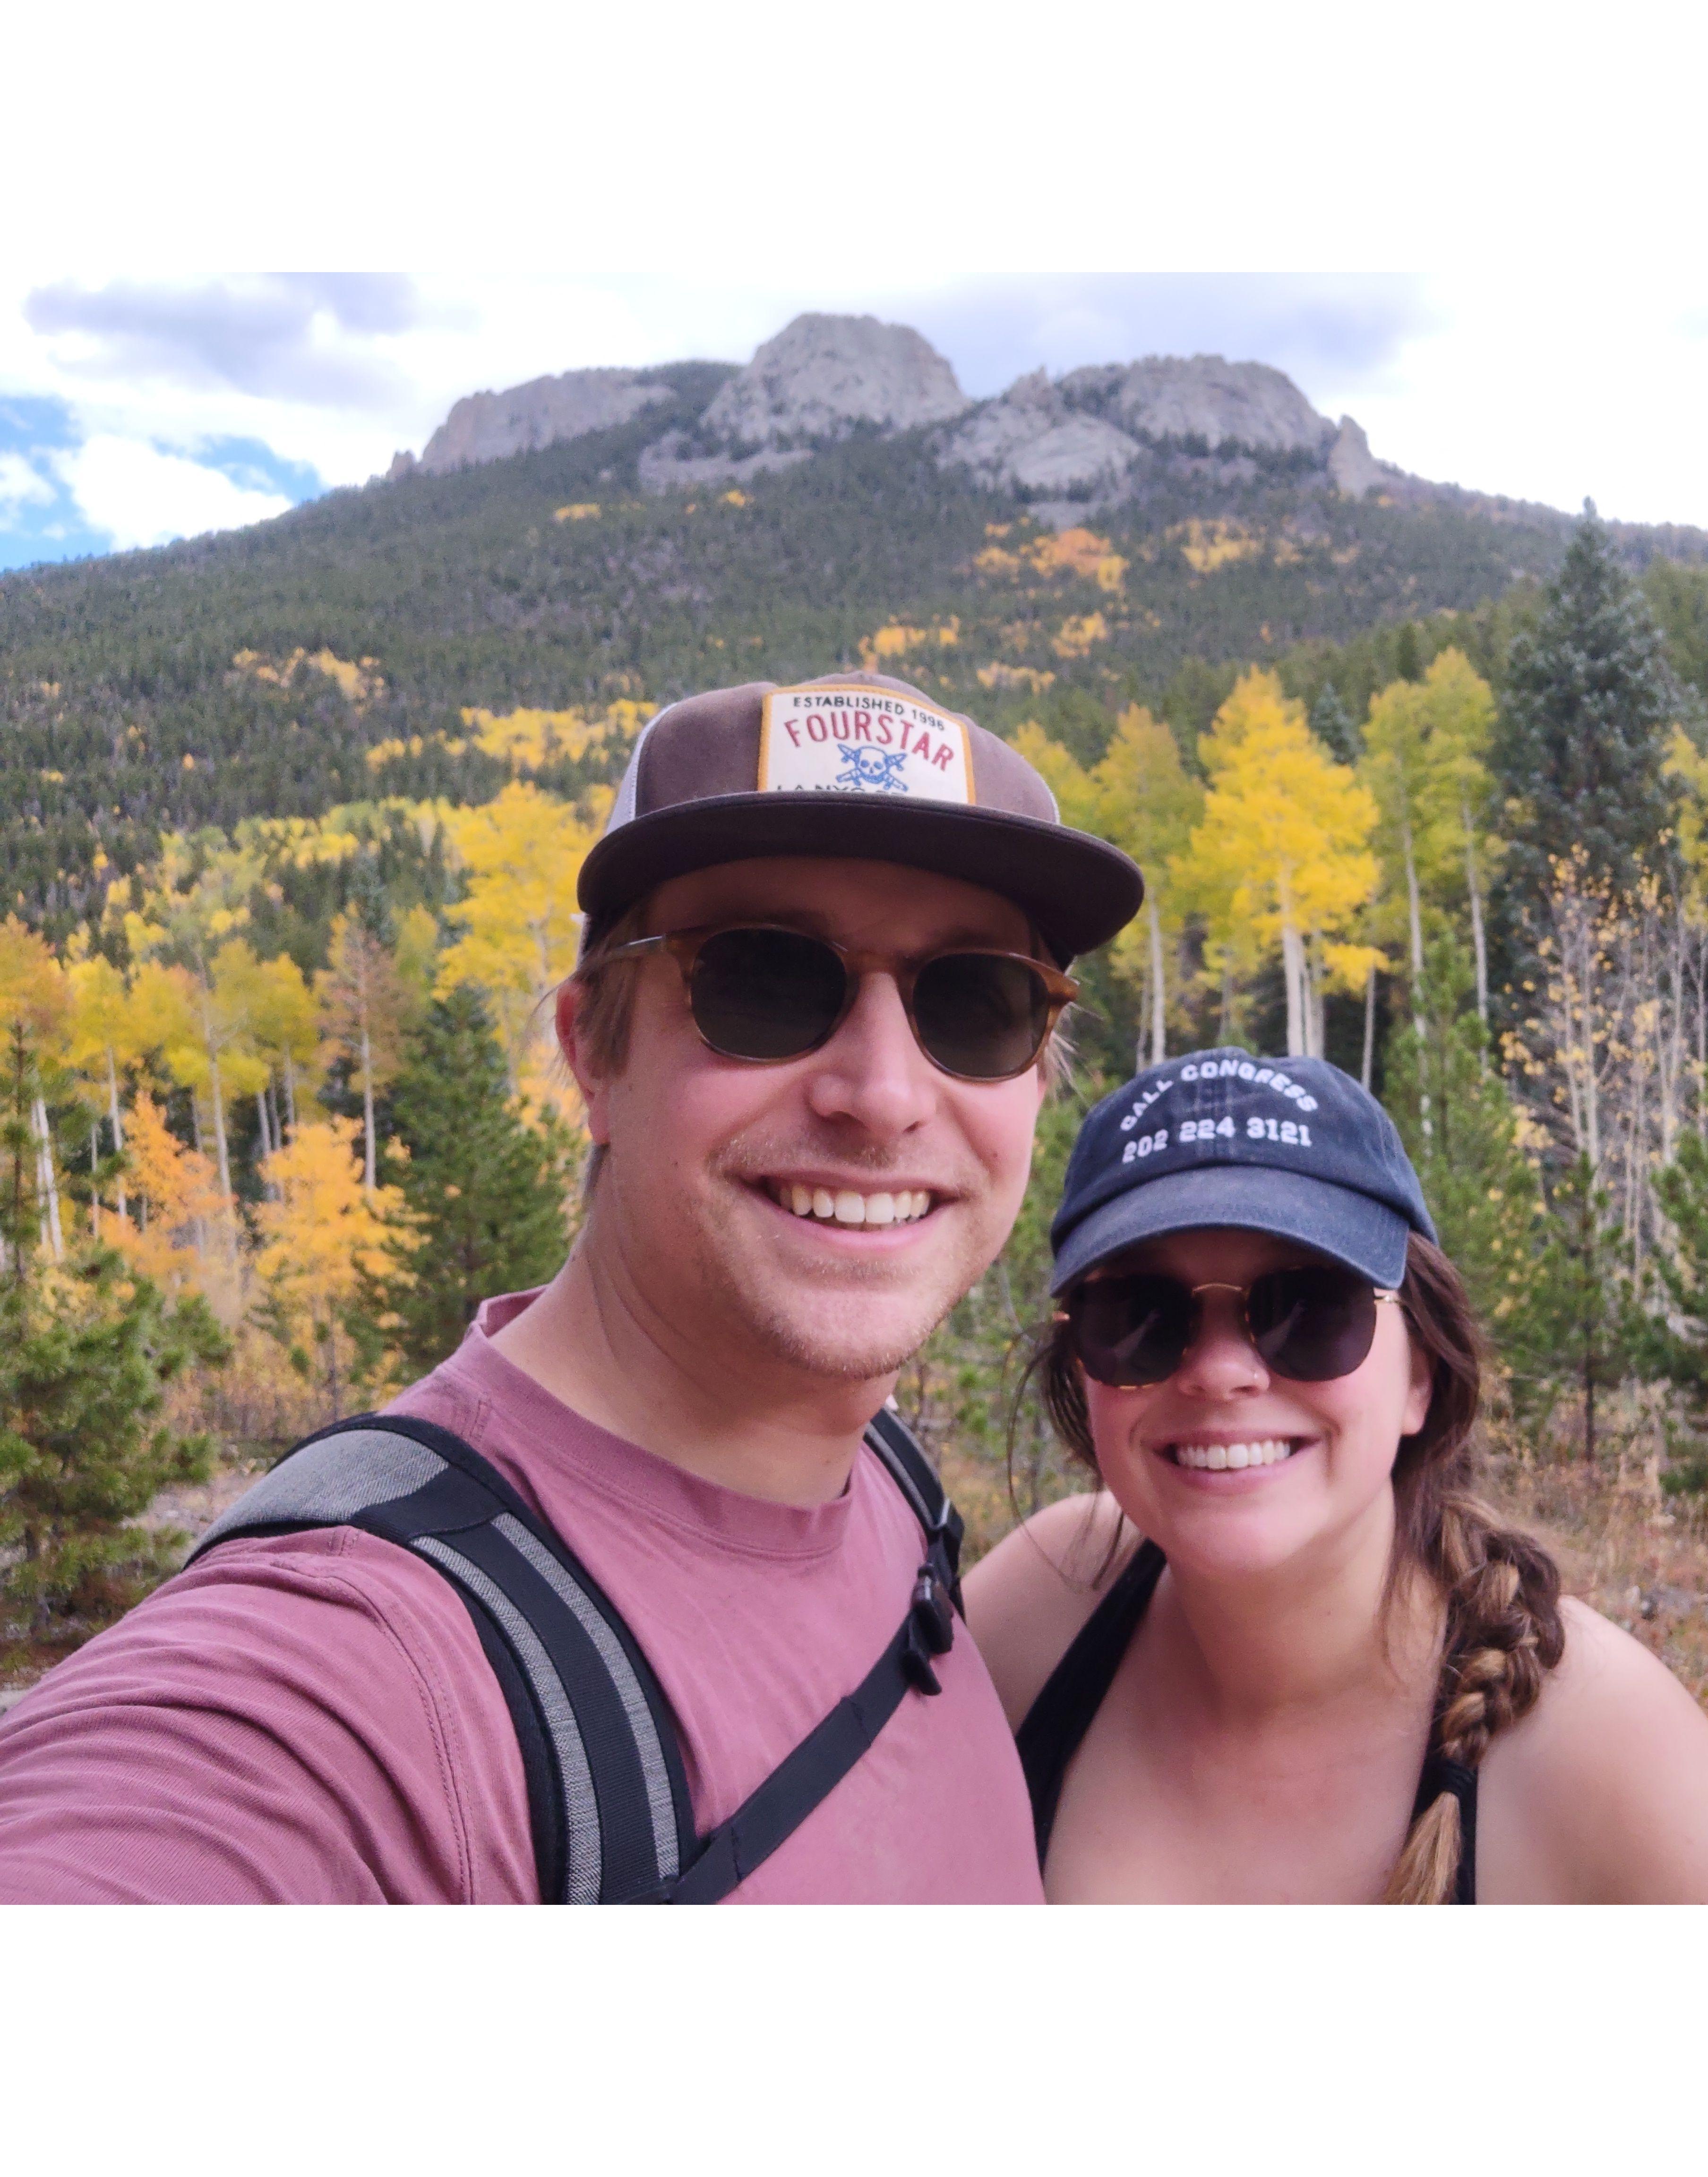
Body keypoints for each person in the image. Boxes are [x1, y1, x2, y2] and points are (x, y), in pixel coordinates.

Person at [0, 671, 1142, 1903]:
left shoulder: (895, 1492)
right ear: (592, 1048)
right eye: (764, 979)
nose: (882, 1092)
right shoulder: (371, 1667)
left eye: (977, 1005)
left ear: (1036, 1080)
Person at [967, 1051, 1708, 1903]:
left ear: (1421, 1373)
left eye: (1310, 1308)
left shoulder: (1580, 1731)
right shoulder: (1048, 1602)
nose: (1220, 1371)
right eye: (1137, 1315)